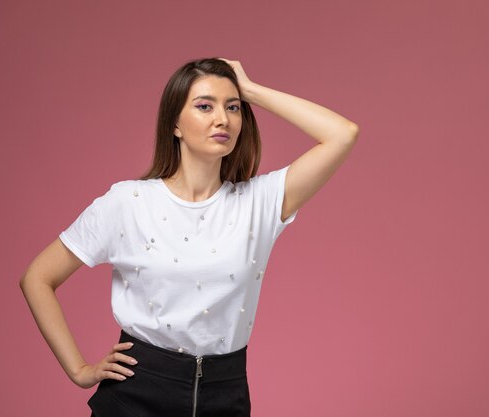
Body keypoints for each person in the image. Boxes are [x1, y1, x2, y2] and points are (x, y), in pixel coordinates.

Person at [20, 57, 359, 417]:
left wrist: (252, 91)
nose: (222, 119)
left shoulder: (258, 202)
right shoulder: (128, 202)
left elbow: (343, 134)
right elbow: (37, 278)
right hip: (137, 392)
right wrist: (79, 369)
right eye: (204, 106)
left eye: (232, 108)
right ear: (175, 125)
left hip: (226, 395)